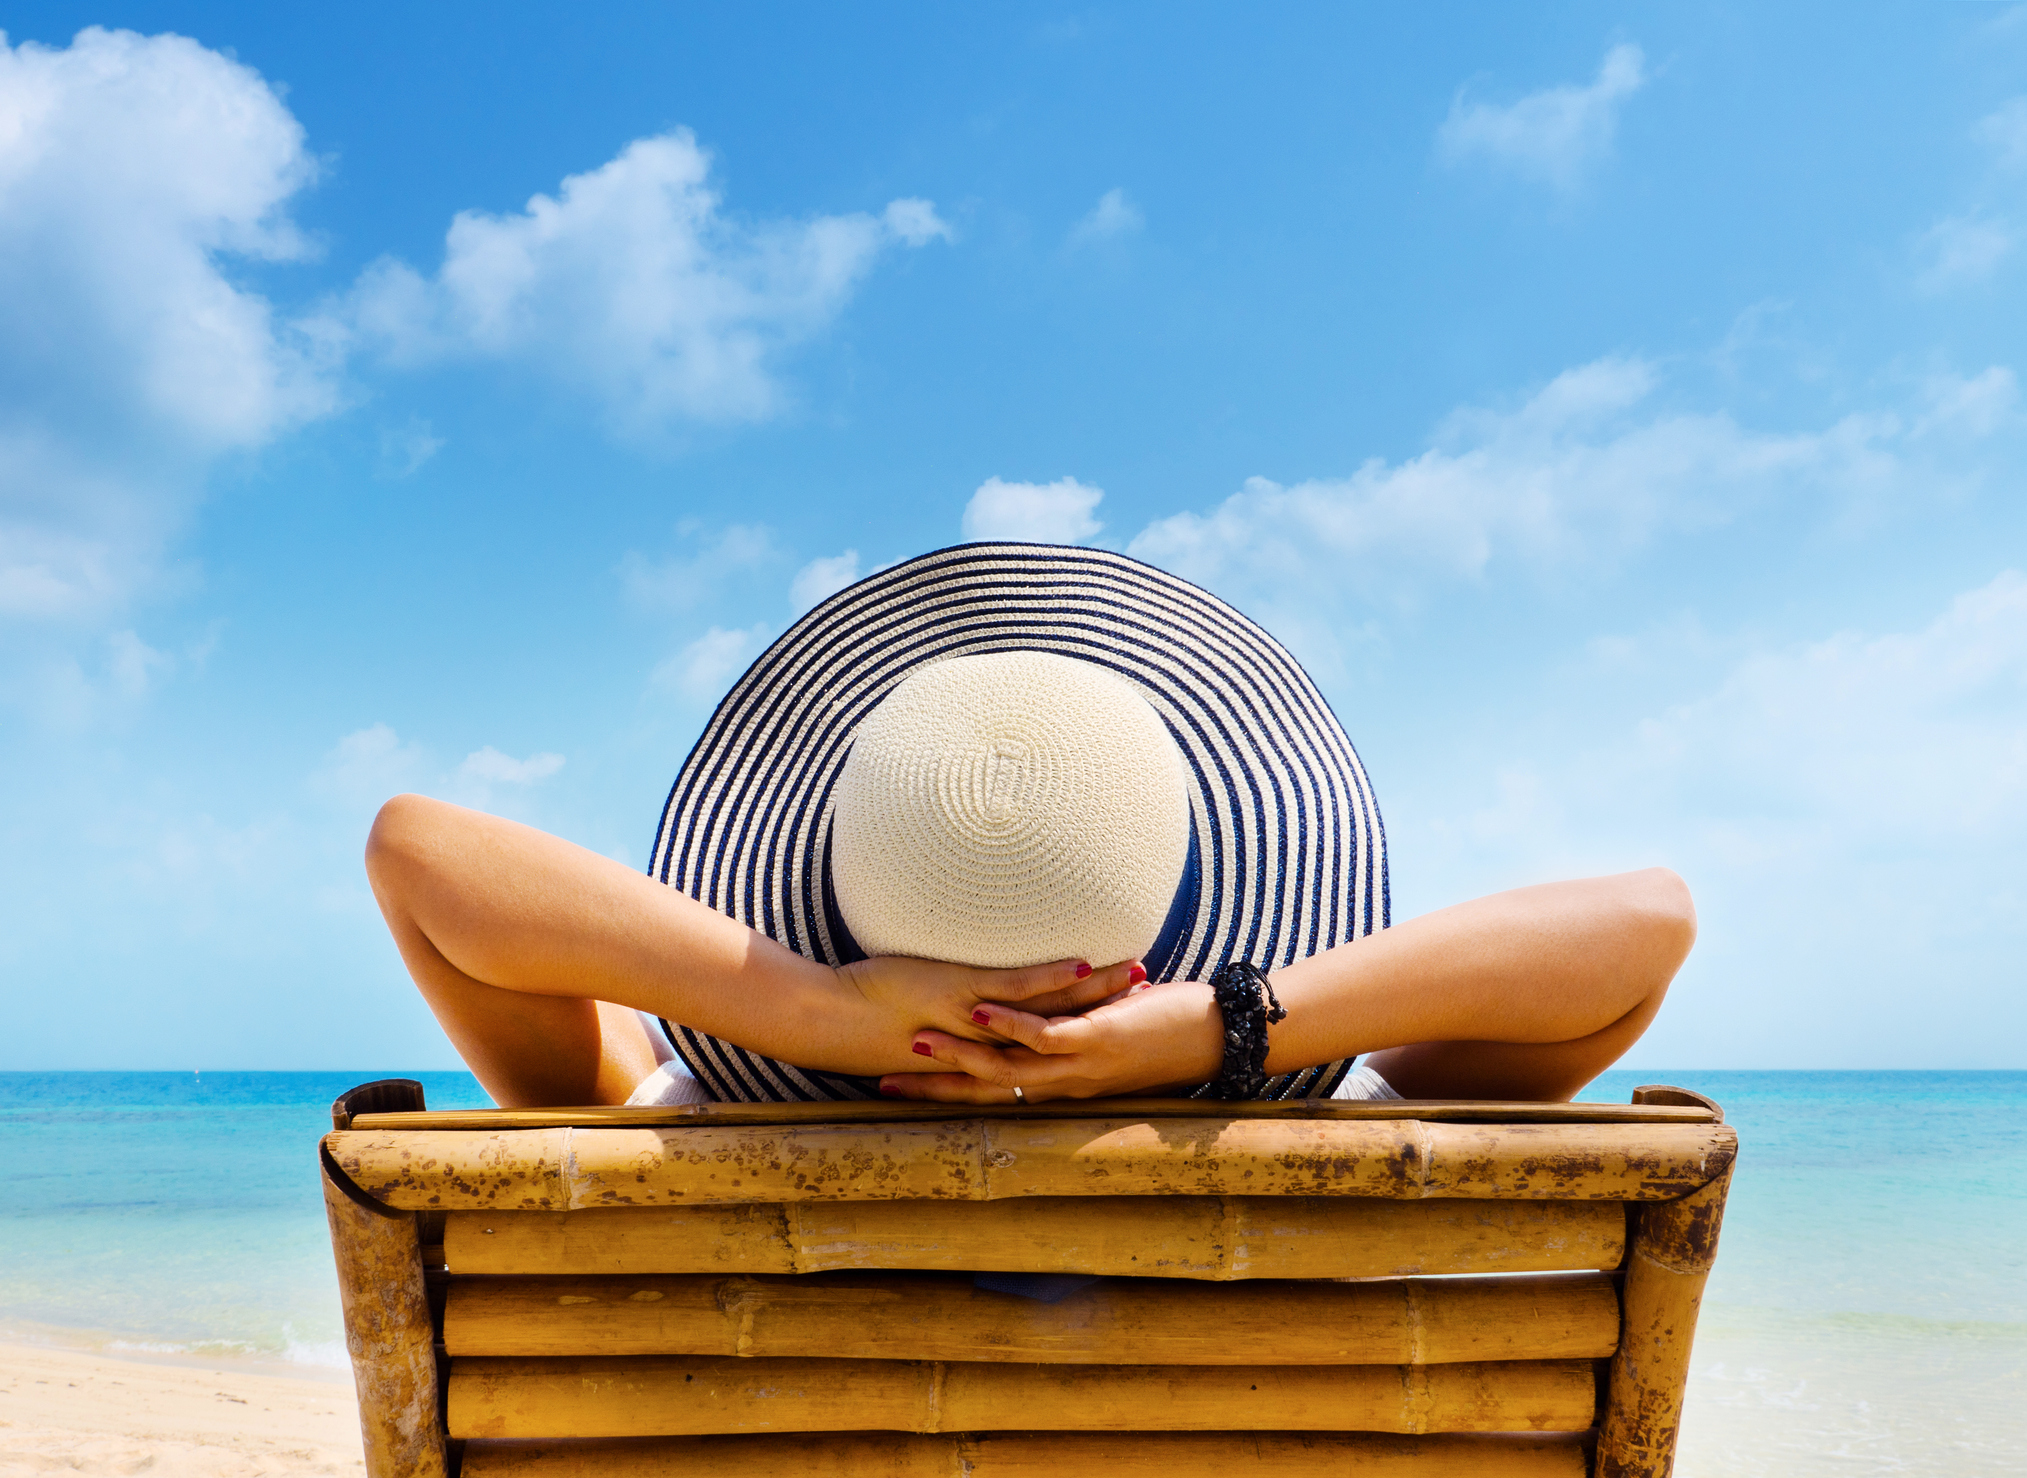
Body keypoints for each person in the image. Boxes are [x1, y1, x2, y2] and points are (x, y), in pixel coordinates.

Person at [365, 544, 1694, 1110]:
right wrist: (1215, 1029)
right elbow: (1644, 928)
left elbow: (417, 855)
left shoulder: (691, 1111)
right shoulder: (1323, 1123)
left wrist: (823, 1016)